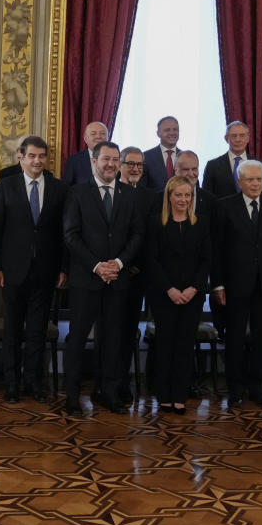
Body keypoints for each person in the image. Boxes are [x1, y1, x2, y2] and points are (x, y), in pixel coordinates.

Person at [62, 141, 144, 416]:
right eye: (106, 159)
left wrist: (118, 264)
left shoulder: (130, 195)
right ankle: (72, 396)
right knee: (77, 339)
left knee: (112, 339)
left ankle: (106, 392)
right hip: (86, 279)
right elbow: (71, 235)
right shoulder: (76, 193)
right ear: (94, 161)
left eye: (115, 160)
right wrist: (97, 266)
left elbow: (137, 235)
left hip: (118, 280)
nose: (111, 164)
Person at [0, 136, 68, 403]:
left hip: (45, 269)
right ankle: (11, 383)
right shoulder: (6, 185)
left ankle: (33, 381)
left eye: (42, 156)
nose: (37, 161)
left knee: (36, 331)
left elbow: (62, 234)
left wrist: (62, 268)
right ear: (21, 157)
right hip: (12, 270)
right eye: (32, 156)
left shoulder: (58, 188)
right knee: (12, 330)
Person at [212, 159, 262, 410]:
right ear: (239, 182)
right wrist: (218, 284)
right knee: (235, 337)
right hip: (234, 285)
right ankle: (235, 387)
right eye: (250, 179)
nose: (255, 184)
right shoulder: (224, 207)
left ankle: (257, 386)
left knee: (260, 337)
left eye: (259, 179)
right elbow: (217, 249)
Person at [146, 175, 213, 414]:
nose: (183, 199)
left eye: (188, 195)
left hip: (192, 296)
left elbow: (206, 260)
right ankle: (164, 395)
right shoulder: (156, 223)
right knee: (165, 345)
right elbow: (151, 261)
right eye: (179, 195)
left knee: (185, 345)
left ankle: (179, 395)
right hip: (164, 295)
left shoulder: (201, 223)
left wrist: (194, 288)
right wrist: (170, 289)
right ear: (169, 196)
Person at [114, 146, 157, 404]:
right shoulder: (111, 191)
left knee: (129, 330)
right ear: (120, 164)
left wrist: (135, 264)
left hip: (137, 274)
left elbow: (150, 236)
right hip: (110, 274)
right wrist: (118, 263)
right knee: (111, 331)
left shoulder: (151, 197)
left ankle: (123, 381)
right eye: (130, 164)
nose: (135, 169)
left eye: (139, 165)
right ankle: (107, 379)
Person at [202, 121, 262, 198]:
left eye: (242, 136)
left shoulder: (259, 164)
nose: (238, 140)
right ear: (226, 139)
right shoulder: (212, 166)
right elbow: (206, 197)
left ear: (248, 138)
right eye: (234, 136)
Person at [61, 121, 108, 186]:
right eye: (93, 134)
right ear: (85, 139)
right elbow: (67, 188)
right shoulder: (74, 161)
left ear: (107, 137)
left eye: (102, 133)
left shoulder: (116, 159)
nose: (98, 136)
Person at [142, 116, 181, 191]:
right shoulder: (145, 157)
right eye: (167, 130)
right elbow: (141, 189)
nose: (172, 133)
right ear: (158, 133)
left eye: (175, 129)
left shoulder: (186, 157)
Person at [175, 150, 215, 219]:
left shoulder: (210, 200)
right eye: (186, 169)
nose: (191, 174)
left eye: (194, 169)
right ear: (176, 171)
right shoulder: (163, 198)